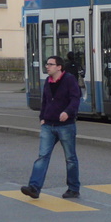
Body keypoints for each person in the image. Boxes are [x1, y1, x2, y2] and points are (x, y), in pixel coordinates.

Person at [21, 55, 82, 199]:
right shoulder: (48, 82)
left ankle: (73, 189)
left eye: (50, 64)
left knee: (70, 158)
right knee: (42, 156)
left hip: (65, 126)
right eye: (46, 64)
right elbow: (45, 101)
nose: (47, 66)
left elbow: (75, 98)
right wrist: (42, 118)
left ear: (59, 67)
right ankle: (34, 188)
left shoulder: (69, 80)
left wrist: (68, 112)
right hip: (48, 125)